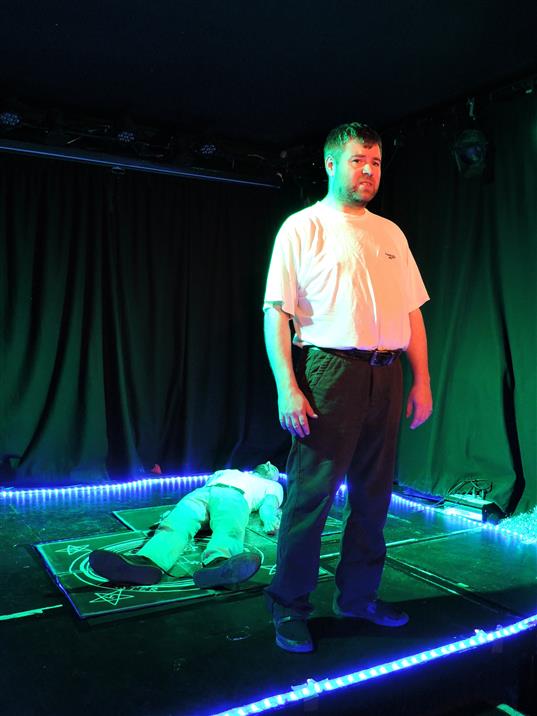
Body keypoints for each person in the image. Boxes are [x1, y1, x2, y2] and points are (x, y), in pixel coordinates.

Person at [263, 122, 433, 653]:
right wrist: (287, 386)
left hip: (386, 373)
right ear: (332, 163)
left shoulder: (390, 233)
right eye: (359, 160)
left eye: (377, 163)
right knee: (311, 495)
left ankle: (357, 598)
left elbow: (412, 312)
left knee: (374, 496)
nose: (369, 171)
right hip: (330, 371)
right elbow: (277, 313)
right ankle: (290, 607)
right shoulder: (302, 226)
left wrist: (421, 379)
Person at [89, 462, 284, 589]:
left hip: (235, 497)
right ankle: (148, 561)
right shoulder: (227, 471)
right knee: (176, 522)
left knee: (230, 527)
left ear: (274, 476)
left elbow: (269, 504)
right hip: (203, 492)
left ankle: (220, 563)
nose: (268, 464)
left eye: (272, 466)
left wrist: (268, 519)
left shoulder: (273, 485)